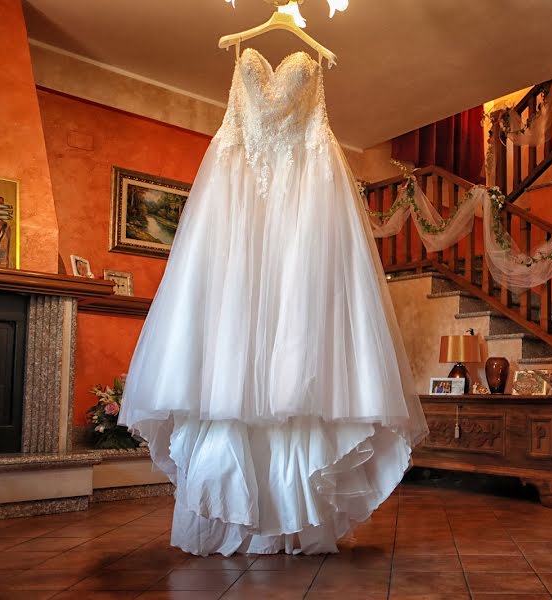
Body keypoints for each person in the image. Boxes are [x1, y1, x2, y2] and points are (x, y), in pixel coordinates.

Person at [119, 49, 427, 556]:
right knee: (230, 349)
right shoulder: (242, 49)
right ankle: (239, 518)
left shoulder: (314, 62)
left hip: (308, 207)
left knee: (299, 346)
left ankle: (292, 518)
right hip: (237, 203)